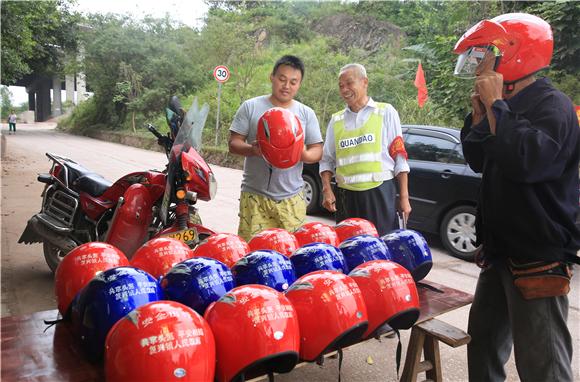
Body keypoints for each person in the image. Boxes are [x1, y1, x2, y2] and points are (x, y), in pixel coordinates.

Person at [454, 13, 580, 382]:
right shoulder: (502, 103)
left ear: (513, 54)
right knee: (483, 345)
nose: (479, 64)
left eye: (485, 55)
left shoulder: (552, 106)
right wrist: (480, 116)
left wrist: (497, 108)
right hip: (499, 252)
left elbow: (527, 162)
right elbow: (478, 160)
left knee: (543, 363)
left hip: (536, 255)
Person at [229, 55, 323, 241]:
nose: (286, 86)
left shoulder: (306, 113)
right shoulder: (250, 107)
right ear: (271, 77)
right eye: (282, 79)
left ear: (299, 84)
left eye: (293, 82)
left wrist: (302, 154)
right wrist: (252, 149)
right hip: (255, 196)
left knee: (292, 253)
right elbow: (233, 143)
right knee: (253, 253)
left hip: (292, 198)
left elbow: (317, 150)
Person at [319, 63, 411, 236]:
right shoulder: (336, 120)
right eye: (341, 86)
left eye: (349, 83)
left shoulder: (386, 112)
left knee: (380, 247)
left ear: (365, 82)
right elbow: (327, 159)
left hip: (379, 193)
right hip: (346, 197)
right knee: (349, 248)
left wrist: (404, 198)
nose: (344, 89)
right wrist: (327, 190)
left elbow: (400, 157)